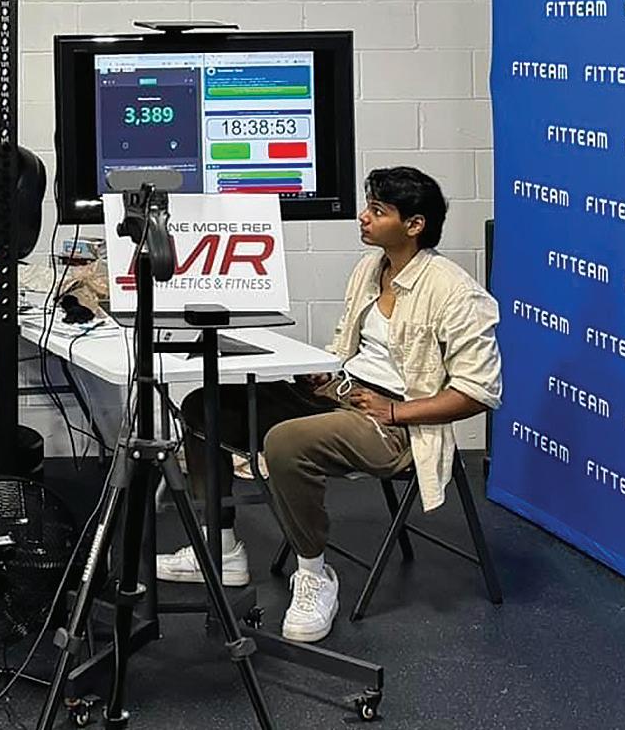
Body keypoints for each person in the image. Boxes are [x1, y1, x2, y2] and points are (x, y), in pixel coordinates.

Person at [161, 166, 502, 644]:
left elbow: (478, 392)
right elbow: (356, 348)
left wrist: (395, 412)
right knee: (205, 405)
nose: (363, 217)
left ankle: (315, 575)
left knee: (285, 441)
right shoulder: (372, 269)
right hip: (343, 393)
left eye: (377, 211)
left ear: (414, 225)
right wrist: (327, 370)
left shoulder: (455, 292)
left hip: (395, 425)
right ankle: (221, 547)